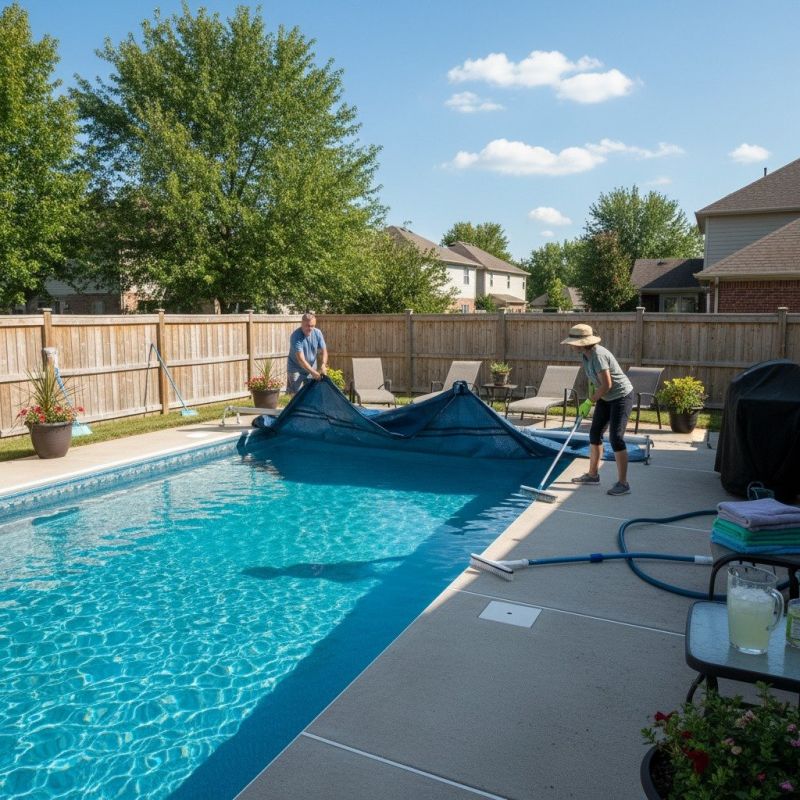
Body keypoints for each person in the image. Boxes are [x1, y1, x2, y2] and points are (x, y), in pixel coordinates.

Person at [561, 323, 634, 496]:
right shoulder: (585, 355)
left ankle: (623, 484)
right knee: (594, 434)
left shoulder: (598, 355)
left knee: (616, 438)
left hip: (621, 397)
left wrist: (589, 401)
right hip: (605, 397)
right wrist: (592, 398)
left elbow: (607, 384)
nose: (571, 345)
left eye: (573, 342)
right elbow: (596, 382)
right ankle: (593, 475)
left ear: (582, 343)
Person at [287, 312, 328, 394]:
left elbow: (324, 351)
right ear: (302, 324)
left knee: (310, 393)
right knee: (296, 395)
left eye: (312, 326)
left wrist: (323, 365)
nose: (310, 328)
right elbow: (301, 360)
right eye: (308, 326)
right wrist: (313, 373)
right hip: (296, 368)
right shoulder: (296, 336)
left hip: (311, 367)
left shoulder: (317, 333)